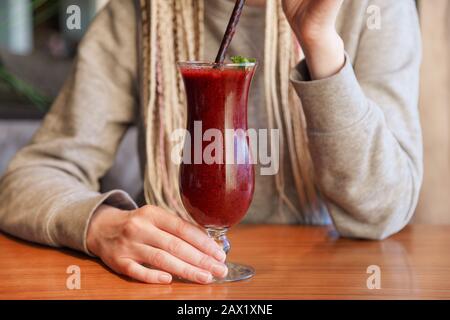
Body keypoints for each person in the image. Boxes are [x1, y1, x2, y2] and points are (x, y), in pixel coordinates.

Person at [0, 0, 422, 284]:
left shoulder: (376, 9)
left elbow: (383, 209)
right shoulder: (143, 12)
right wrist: (100, 225)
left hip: (321, 280)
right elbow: (30, 177)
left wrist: (319, 40)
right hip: (175, 285)